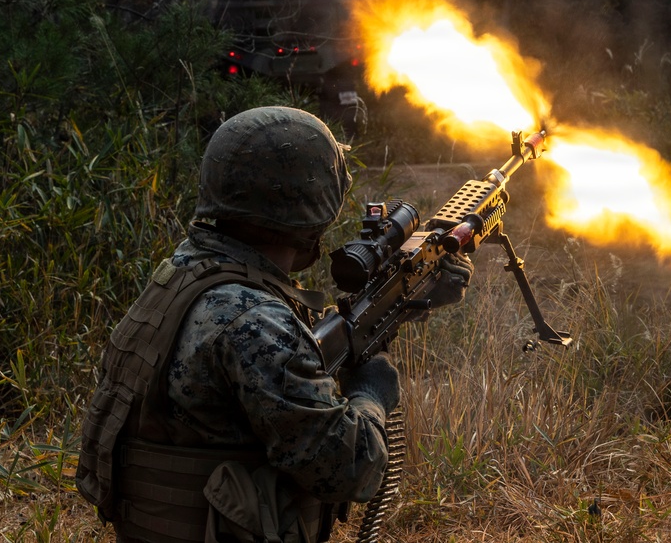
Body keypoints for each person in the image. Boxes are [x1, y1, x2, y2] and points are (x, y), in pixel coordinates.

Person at [76, 106, 473, 543]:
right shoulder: (254, 322)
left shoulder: (185, 272)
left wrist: (405, 301)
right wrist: (371, 395)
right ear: (309, 210)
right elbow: (352, 470)